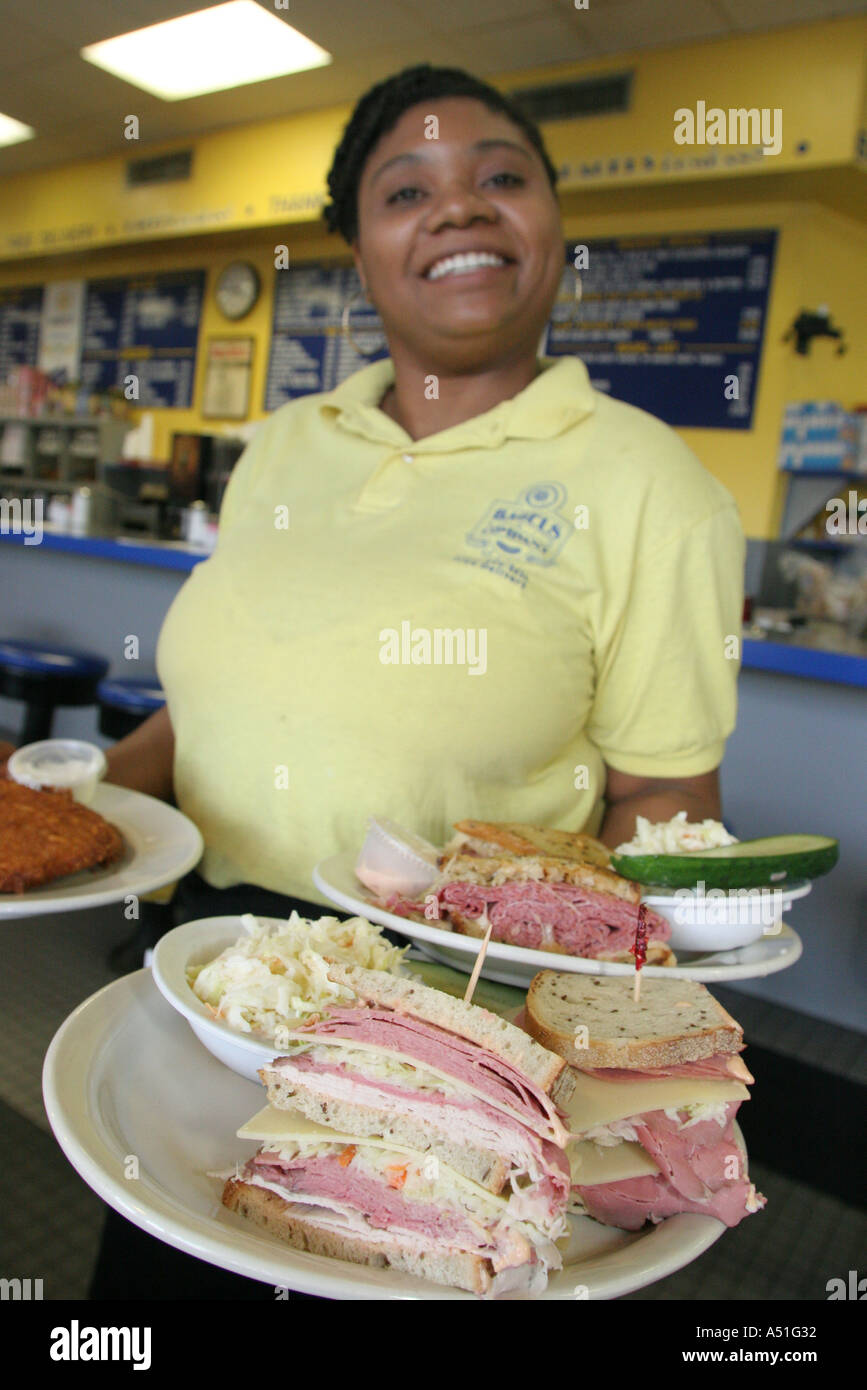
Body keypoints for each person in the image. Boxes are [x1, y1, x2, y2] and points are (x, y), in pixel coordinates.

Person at [3, 64, 744, 1297]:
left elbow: (660, 803)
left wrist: (600, 1063)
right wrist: (56, 815)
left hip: (449, 1008)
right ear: (360, 250)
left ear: (555, 227)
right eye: (409, 190)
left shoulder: (649, 484)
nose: (461, 208)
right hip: (209, 964)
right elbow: (215, 708)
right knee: (153, 1287)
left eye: (502, 177)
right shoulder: (285, 444)